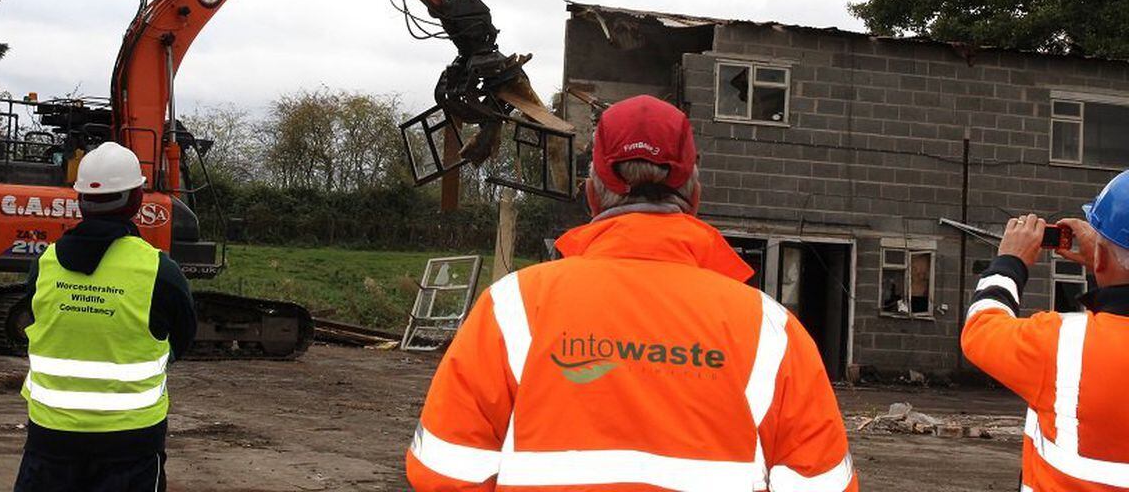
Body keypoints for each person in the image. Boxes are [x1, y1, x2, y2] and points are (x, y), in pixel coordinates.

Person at [406, 95, 857, 491]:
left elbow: (444, 471)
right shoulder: (771, 329)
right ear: (693, 194)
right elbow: (821, 484)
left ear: (592, 195)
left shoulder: (513, 307)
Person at [14, 141, 197, 492]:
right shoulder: (159, 270)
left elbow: (32, 318)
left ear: (81, 199)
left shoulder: (45, 265)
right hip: (131, 443)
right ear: (137, 198)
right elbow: (182, 338)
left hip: (51, 438)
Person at [962, 171, 1129, 492]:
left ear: (1102, 258)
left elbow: (981, 328)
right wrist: (1104, 264)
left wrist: (1010, 262)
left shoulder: (1064, 345)